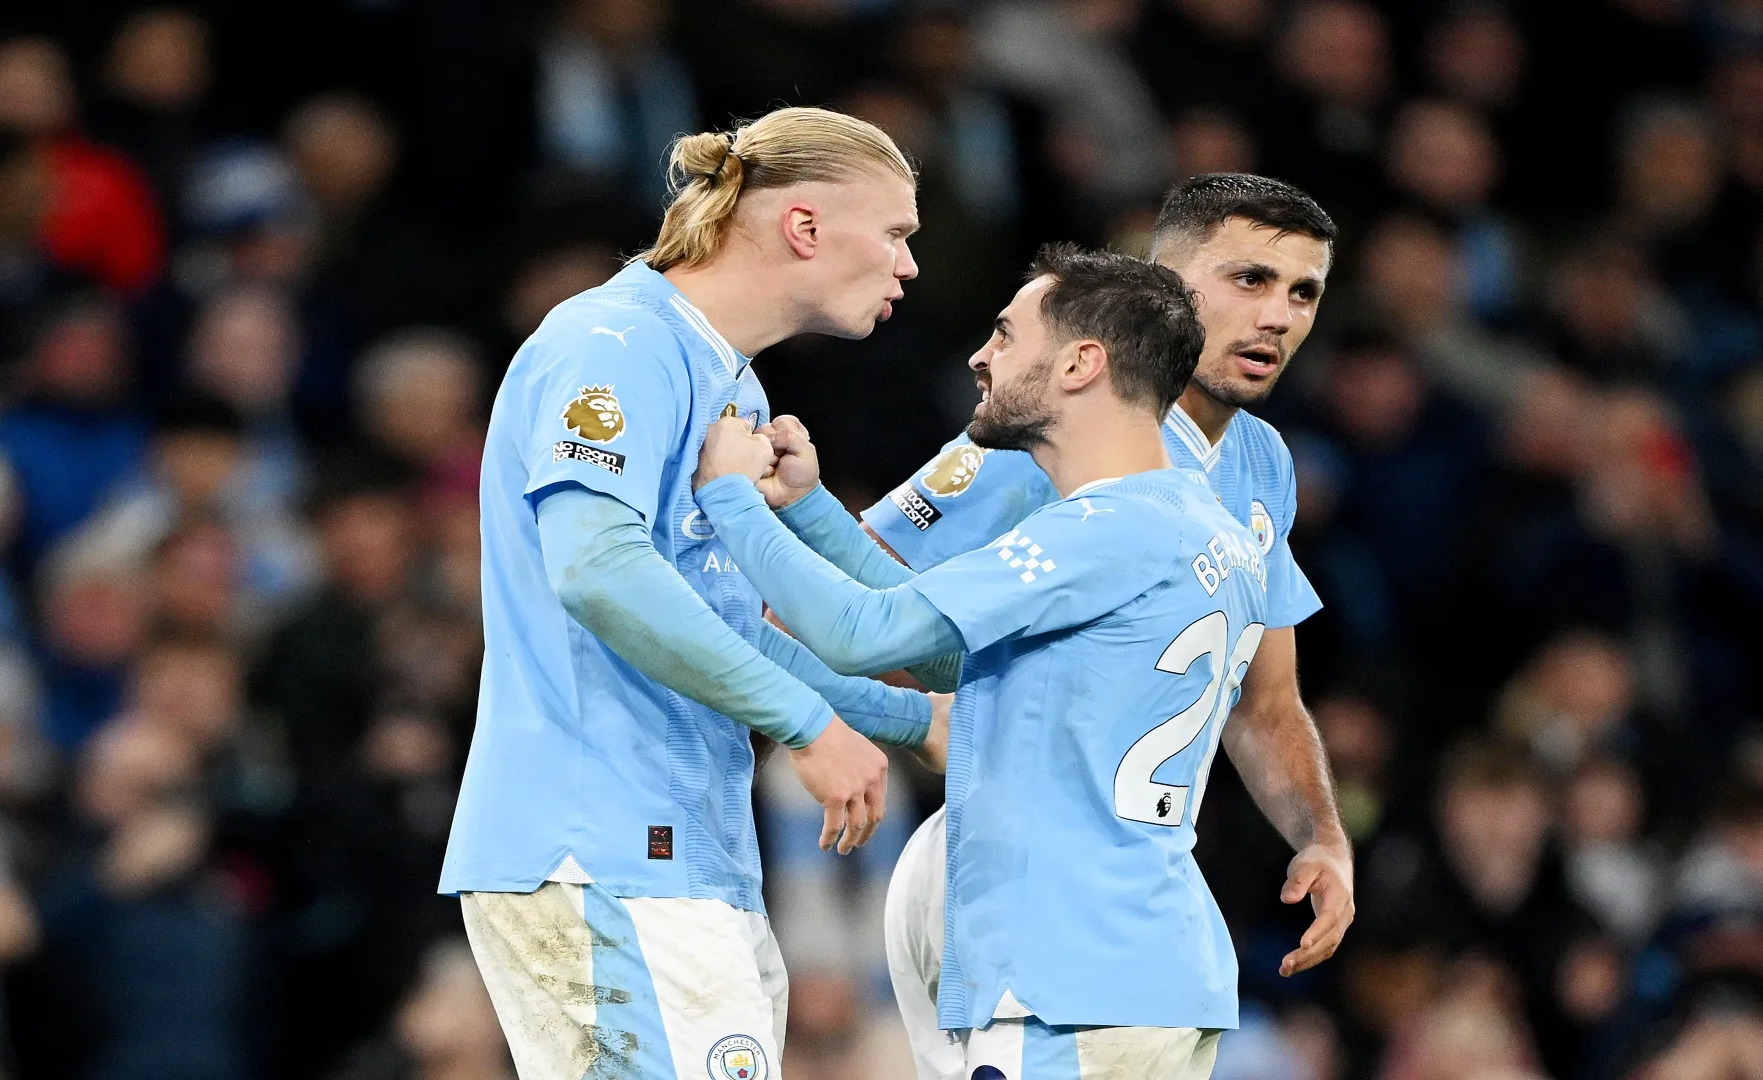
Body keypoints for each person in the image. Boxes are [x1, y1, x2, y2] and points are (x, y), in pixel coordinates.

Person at [691, 244, 1304, 1080]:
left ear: (1082, 364)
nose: (982, 355)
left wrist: (728, 495)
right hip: (1143, 968)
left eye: (1008, 336)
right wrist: (809, 513)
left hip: (1067, 975)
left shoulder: (1102, 531)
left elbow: (864, 634)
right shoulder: (1196, 522)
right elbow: (945, 652)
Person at [438, 106, 945, 1080]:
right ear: (803, 227)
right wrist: (804, 722)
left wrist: (898, 716)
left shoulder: (733, 390)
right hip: (594, 846)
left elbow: (718, 623)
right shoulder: (615, 342)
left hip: (687, 850)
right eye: (896, 234)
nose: (908, 266)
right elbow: (596, 568)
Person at [858, 174, 1354, 1079]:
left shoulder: (1261, 463)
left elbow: (1262, 701)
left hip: (1129, 905)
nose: (1279, 316)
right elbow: (851, 600)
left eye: (1303, 293)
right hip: (1006, 875)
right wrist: (893, 723)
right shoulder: (1041, 434)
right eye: (1250, 280)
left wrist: (1321, 835)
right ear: (1164, 285)